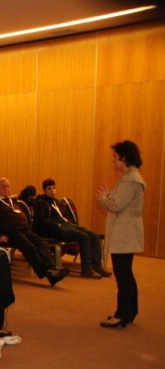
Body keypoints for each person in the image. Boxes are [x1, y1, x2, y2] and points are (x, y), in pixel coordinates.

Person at [0, 178, 69, 286]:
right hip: (9, 232)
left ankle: (52, 268)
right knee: (29, 246)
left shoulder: (13, 201)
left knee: (41, 243)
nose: (6, 189)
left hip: (24, 229)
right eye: (3, 186)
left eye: (8, 186)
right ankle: (48, 273)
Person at [96, 140, 146, 328]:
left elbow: (116, 205)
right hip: (126, 231)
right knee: (125, 272)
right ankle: (129, 311)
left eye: (115, 157)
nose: (113, 160)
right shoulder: (129, 177)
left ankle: (123, 314)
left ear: (124, 158)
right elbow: (119, 201)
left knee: (123, 273)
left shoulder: (131, 179)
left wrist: (103, 199)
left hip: (125, 232)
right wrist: (108, 196)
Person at [33, 178, 110, 279]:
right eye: (49, 189)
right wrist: (57, 225)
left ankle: (97, 266)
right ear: (44, 190)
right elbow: (41, 221)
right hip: (55, 229)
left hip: (66, 225)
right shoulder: (41, 203)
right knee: (83, 236)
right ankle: (86, 270)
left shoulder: (56, 201)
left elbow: (62, 216)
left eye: (54, 188)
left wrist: (68, 223)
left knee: (94, 236)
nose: (52, 191)